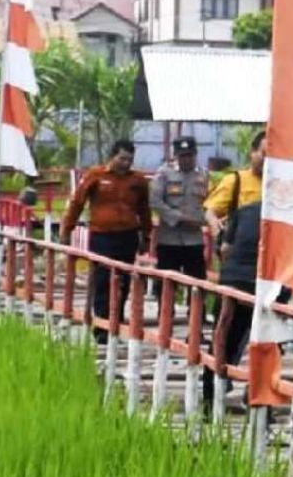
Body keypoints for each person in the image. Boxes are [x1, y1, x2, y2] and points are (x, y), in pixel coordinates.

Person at [61, 139, 152, 342]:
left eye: (129, 159)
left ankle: (116, 322)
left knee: (125, 281)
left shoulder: (138, 181)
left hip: (127, 236)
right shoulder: (95, 176)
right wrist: (67, 229)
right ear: (112, 157)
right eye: (122, 159)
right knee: (103, 281)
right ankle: (102, 327)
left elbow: (144, 210)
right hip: (102, 236)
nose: (125, 163)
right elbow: (77, 203)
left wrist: (146, 235)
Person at [201, 200, 262, 415]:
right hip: (265, 287)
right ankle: (260, 404)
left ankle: (209, 400)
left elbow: (225, 248)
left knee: (222, 339)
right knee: (269, 346)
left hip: (233, 280)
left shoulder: (244, 211)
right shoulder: (290, 218)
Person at [150, 136, 209, 297]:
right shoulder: (164, 173)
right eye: (182, 155)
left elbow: (211, 202)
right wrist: (178, 217)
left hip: (194, 239)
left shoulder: (204, 175)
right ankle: (165, 317)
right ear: (175, 155)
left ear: (195, 154)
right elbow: (155, 201)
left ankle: (197, 317)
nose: (186, 159)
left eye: (190, 155)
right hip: (169, 238)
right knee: (166, 284)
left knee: (197, 283)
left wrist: (203, 219)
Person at [204, 131, 265, 255]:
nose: (267, 160)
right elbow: (210, 212)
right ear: (252, 152)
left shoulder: (281, 186)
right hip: (239, 254)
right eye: (264, 154)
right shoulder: (236, 180)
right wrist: (219, 233)